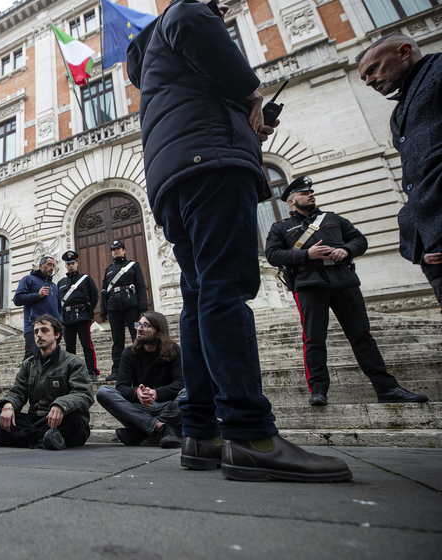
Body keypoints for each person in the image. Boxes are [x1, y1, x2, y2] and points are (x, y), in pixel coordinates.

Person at [126, 0, 352, 481]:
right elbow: (191, 19)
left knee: (199, 298)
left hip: (175, 177)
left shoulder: (153, 62)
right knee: (225, 292)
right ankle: (250, 434)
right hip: (212, 162)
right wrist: (250, 96)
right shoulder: (186, 13)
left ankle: (200, 432)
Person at [264, 177, 428, 406]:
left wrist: (346, 250)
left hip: (343, 281)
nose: (310, 195)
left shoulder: (333, 219)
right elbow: (272, 255)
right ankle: (319, 391)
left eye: (311, 192)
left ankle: (387, 389)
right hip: (309, 284)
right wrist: (306, 255)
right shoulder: (280, 227)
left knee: (362, 336)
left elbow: (359, 240)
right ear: (291, 201)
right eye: (304, 193)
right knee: (314, 339)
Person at [356, 34, 442, 310]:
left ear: (404, 52)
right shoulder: (398, 113)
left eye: (373, 69)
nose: (369, 81)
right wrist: (419, 248)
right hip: (433, 246)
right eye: (364, 77)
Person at [0, 315, 93, 450]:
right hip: (38, 420)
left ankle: (18, 437)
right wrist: (8, 406)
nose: (39, 335)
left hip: (63, 421)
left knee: (74, 418)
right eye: (36, 332)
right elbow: (17, 392)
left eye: (44, 330)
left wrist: (61, 405)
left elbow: (84, 394)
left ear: (57, 334)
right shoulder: (28, 365)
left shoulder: (74, 362)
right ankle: (45, 438)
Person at [96, 312, 185, 448]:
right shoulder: (129, 353)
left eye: (145, 325)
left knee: (189, 392)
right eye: (138, 324)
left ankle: (141, 431)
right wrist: (137, 392)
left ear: (159, 333)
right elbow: (121, 387)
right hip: (139, 408)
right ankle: (163, 428)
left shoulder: (173, 350)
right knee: (103, 391)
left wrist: (156, 393)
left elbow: (181, 383)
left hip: (167, 407)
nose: (139, 328)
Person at [100, 240, 148, 382]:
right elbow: (104, 291)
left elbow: (140, 286)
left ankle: (141, 365)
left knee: (137, 336)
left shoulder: (134, 266)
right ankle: (117, 370)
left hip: (131, 306)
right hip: (114, 308)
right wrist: (104, 310)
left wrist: (143, 306)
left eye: (119, 248)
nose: (116, 251)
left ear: (124, 250)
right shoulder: (108, 270)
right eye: (114, 249)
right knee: (117, 340)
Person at [57, 251, 99, 381]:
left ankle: (92, 371)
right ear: (65, 265)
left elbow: (94, 296)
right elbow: (58, 301)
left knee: (87, 345)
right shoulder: (61, 283)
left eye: (72, 263)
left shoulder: (86, 280)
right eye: (68, 264)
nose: (70, 266)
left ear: (77, 263)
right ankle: (71, 373)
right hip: (67, 319)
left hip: (82, 316)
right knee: (69, 347)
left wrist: (89, 311)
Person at [13, 256, 61, 361]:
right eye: (49, 265)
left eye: (53, 265)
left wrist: (60, 323)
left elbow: (59, 308)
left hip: (52, 328)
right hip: (33, 326)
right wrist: (38, 295)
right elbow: (17, 299)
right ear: (41, 265)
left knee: (52, 358)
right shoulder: (28, 279)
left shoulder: (54, 286)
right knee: (32, 357)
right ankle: (26, 378)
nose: (52, 268)